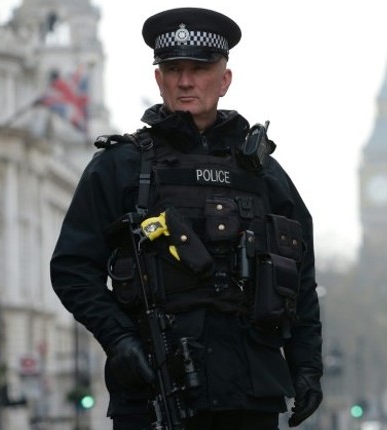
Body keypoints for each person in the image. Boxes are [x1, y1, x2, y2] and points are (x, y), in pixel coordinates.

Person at [51, 7, 323, 430]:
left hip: (250, 397)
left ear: (225, 79)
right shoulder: (121, 166)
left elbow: (300, 276)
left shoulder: (264, 173)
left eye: (199, 68)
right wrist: (119, 339)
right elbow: (72, 268)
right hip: (154, 389)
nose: (185, 80)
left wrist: (307, 366)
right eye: (173, 68)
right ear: (158, 79)